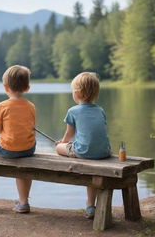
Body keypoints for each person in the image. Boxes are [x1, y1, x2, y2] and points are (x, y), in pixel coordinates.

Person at [55, 72, 111, 219]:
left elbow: (68, 136)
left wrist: (62, 143)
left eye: (73, 90)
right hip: (104, 152)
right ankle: (90, 206)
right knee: (91, 168)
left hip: (85, 152)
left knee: (59, 148)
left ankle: (91, 206)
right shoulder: (100, 110)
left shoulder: (73, 111)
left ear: (78, 93)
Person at [0, 65, 36, 213]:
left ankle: (22, 203)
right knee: (23, 167)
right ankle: (23, 202)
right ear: (27, 88)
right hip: (28, 149)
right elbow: (31, 126)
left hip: (8, 150)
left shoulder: (2, 106)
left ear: (6, 88)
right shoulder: (31, 106)